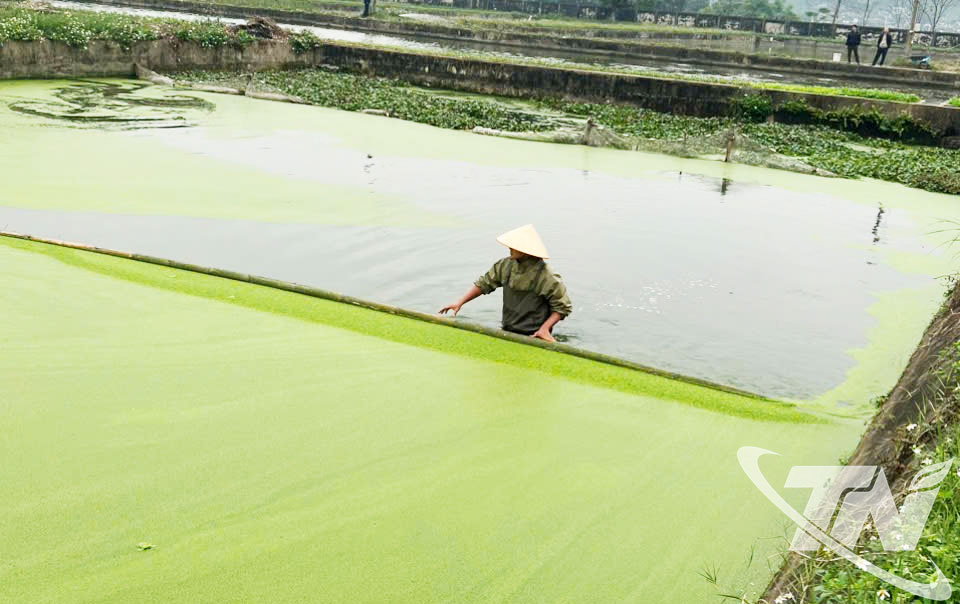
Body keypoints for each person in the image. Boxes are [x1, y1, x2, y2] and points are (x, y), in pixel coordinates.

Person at [439, 224, 572, 342]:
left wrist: (544, 329)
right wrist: (459, 303)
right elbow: (484, 283)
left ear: (526, 250)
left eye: (514, 246)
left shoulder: (547, 276)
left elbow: (562, 307)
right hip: (508, 329)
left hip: (534, 335)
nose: (509, 248)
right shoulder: (505, 265)